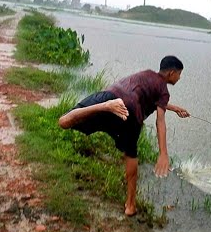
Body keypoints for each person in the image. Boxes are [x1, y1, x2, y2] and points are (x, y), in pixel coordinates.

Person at [58, 55, 190, 216]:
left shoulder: (146, 75)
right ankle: (130, 205)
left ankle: (104, 107)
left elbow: (149, 98)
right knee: (131, 156)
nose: (179, 77)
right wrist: (163, 153)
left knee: (64, 122)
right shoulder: (163, 90)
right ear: (171, 73)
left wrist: (175, 108)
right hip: (130, 114)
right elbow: (160, 121)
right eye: (179, 74)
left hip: (110, 98)